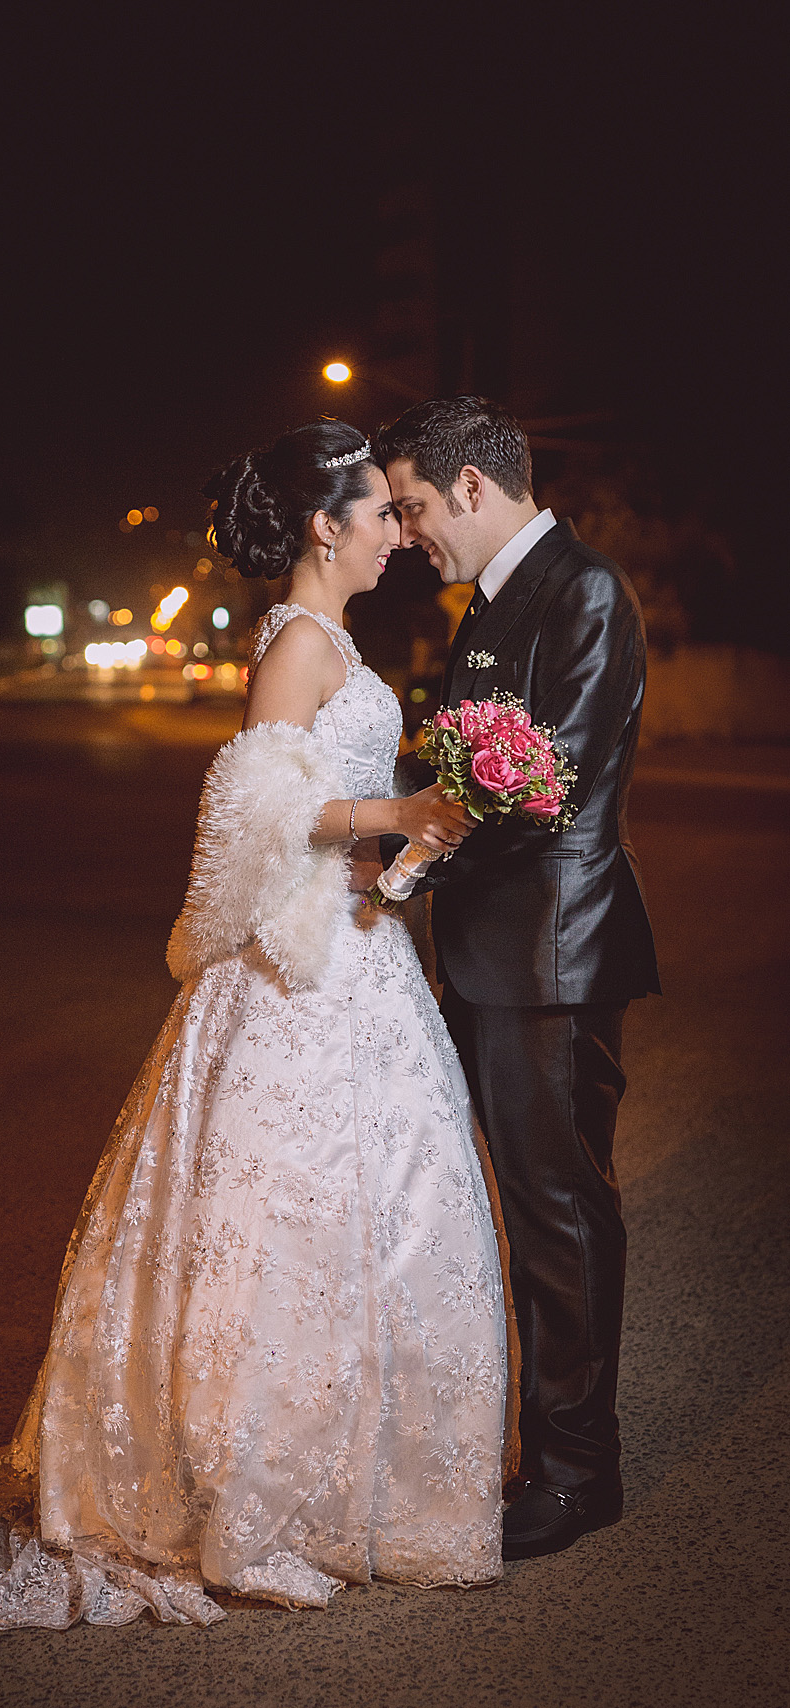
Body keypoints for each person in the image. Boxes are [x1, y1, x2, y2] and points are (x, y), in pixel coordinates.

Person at [0, 420, 508, 1629]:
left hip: (359, 955)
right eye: (375, 511)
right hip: (294, 979)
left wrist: (418, 830)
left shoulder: (335, 640)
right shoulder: (296, 642)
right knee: (275, 1221)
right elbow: (260, 805)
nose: (392, 530)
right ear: (323, 526)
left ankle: (361, 1482)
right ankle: (252, 1489)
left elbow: (325, 812)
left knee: (379, 1215)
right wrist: (398, 802)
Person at [371, 396, 660, 1562]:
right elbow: (469, 765)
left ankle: (577, 1470)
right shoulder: (487, 604)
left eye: (416, 507)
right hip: (494, 956)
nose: (408, 531)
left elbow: (550, 788)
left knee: (559, 1212)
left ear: (474, 489)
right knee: (520, 1209)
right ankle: (542, 1444)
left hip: (552, 954)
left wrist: (411, 857)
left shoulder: (580, 591)